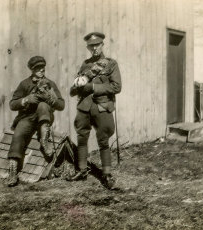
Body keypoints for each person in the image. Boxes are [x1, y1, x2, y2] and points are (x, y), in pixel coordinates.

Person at [67, 32, 122, 189]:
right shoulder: (85, 65)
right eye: (91, 45)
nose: (95, 48)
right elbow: (79, 85)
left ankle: (107, 174)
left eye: (97, 44)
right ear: (88, 47)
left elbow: (116, 87)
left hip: (102, 106)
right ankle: (82, 170)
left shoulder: (111, 64)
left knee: (103, 139)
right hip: (84, 106)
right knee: (82, 137)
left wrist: (92, 87)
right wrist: (75, 86)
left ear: (102, 45)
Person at [7, 56, 65, 187]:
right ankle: (12, 171)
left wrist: (51, 99)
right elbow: (12, 104)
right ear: (32, 70)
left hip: (43, 118)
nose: (41, 70)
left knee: (43, 106)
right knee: (18, 134)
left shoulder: (50, 84)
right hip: (27, 117)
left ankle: (44, 142)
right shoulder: (24, 84)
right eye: (38, 68)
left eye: (42, 67)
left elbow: (61, 105)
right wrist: (26, 100)